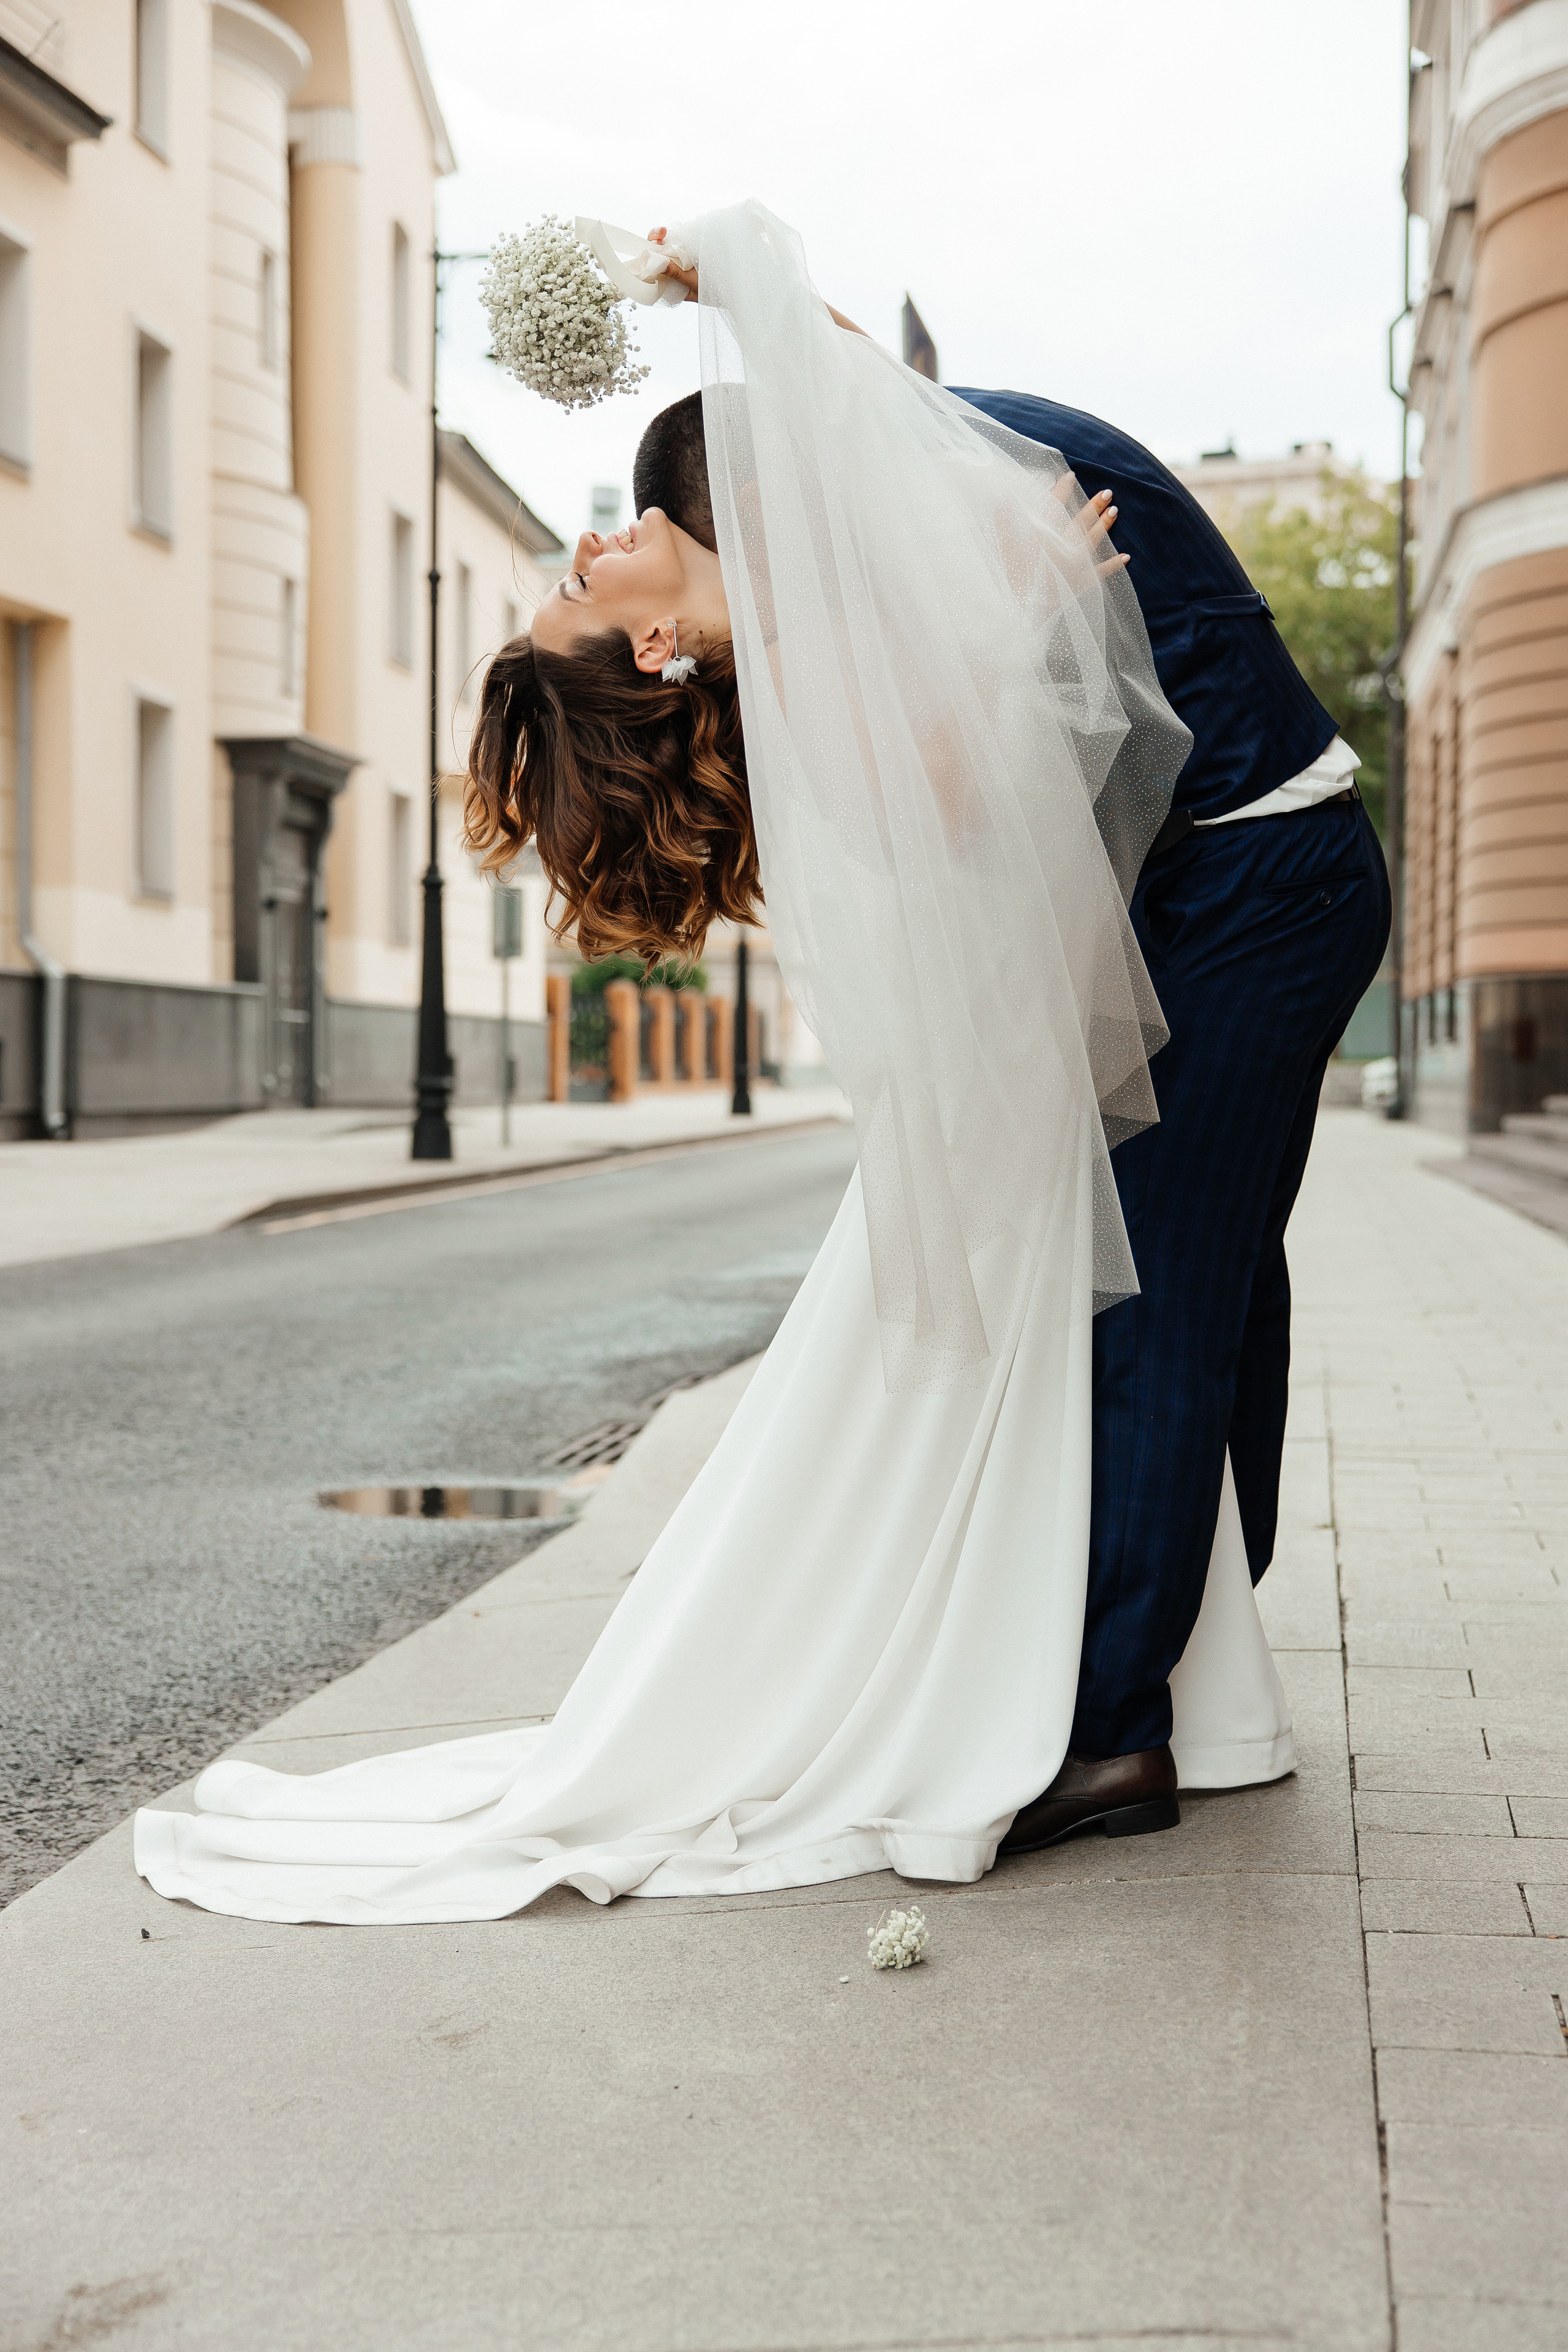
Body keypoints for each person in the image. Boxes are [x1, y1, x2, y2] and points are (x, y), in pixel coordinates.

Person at [134, 203, 1296, 1926]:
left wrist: (735, 280)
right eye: (580, 587)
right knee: (1161, 1326)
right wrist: (1049, 594)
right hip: (1148, 967)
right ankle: (1111, 1711)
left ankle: (1149, 1680)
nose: (596, 545)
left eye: (576, 556)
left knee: (1170, 1319)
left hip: (1124, 989)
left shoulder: (801, 595)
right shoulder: (810, 660)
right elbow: (987, 793)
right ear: (656, 651)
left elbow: (861, 425)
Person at [631, 366, 1389, 1853]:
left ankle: (1107, 1734)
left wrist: (1032, 602)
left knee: (1162, 1301)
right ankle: (1186, 1651)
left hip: (1261, 884)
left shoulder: (958, 495)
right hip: (1227, 890)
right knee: (1217, 1288)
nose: (776, 606)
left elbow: (983, 786)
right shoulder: (932, 472)